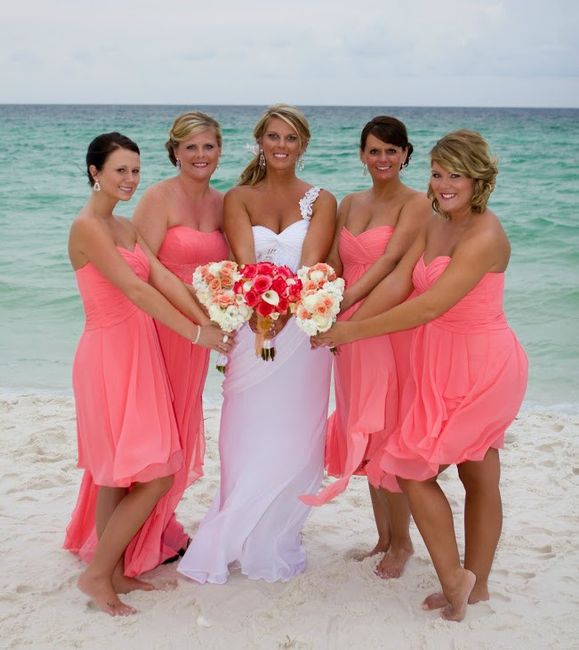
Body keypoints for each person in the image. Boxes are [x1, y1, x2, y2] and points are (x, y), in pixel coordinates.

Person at [314, 130, 528, 621]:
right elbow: (398, 281)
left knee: (450, 471)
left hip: (482, 363)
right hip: (438, 361)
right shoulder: (435, 223)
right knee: (433, 468)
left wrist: (353, 331)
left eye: (456, 175)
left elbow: (430, 305)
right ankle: (464, 582)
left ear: (479, 179)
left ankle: (467, 583)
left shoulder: (485, 235)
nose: (444, 184)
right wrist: (342, 319)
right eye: (437, 173)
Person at [64, 132, 231, 615]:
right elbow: (137, 292)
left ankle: (113, 570)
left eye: (135, 171)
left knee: (118, 475)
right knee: (155, 474)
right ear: (95, 172)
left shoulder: (123, 226)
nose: (130, 179)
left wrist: (208, 320)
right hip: (108, 355)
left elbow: (162, 279)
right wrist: (196, 335)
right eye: (120, 170)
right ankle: (97, 576)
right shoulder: (87, 228)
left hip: (139, 352)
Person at [178, 104, 337, 583]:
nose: (281, 146)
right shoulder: (239, 198)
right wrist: (263, 318)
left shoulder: (322, 200)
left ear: (303, 145)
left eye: (290, 138)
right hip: (252, 328)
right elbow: (246, 266)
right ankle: (234, 528)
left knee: (296, 435)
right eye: (273, 137)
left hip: (303, 335)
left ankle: (276, 534)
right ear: (260, 143)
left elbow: (312, 267)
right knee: (245, 430)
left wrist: (286, 314)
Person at [303, 116, 430, 580]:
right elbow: (337, 260)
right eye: (374, 150)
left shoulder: (417, 203)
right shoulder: (351, 202)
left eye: (392, 151)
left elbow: (392, 261)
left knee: (387, 425)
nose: (383, 159)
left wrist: (346, 306)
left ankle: (403, 542)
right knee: (363, 423)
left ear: (406, 154)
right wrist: (318, 299)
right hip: (346, 321)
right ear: (361, 154)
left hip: (382, 321)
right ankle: (383, 537)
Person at [132, 111, 229, 561]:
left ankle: (159, 523)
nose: (200, 155)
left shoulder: (224, 203)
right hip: (163, 327)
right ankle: (132, 535)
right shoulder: (158, 197)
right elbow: (145, 269)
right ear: (174, 152)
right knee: (154, 430)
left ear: (220, 151)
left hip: (200, 335)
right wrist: (194, 317)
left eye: (208, 146)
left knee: (182, 424)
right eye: (190, 147)